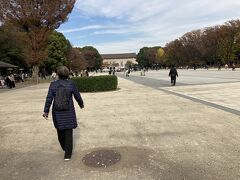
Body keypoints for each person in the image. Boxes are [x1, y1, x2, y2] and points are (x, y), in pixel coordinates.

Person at [43, 66, 84, 161]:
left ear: (57, 74)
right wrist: (81, 104)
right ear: (67, 74)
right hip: (69, 111)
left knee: (60, 131)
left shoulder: (53, 85)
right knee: (69, 133)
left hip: (57, 113)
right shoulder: (71, 84)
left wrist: (46, 111)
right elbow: (77, 95)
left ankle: (64, 147)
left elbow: (49, 98)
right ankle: (68, 155)